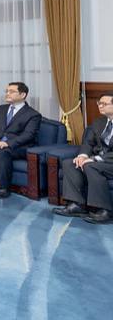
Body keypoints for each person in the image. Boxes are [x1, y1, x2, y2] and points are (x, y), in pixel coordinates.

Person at [53, 92, 113, 224]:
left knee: (90, 165)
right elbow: (88, 143)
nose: (100, 106)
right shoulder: (99, 122)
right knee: (70, 163)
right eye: (99, 103)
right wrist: (82, 155)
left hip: (109, 161)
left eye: (104, 104)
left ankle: (103, 210)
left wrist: (95, 159)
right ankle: (76, 205)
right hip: (99, 161)